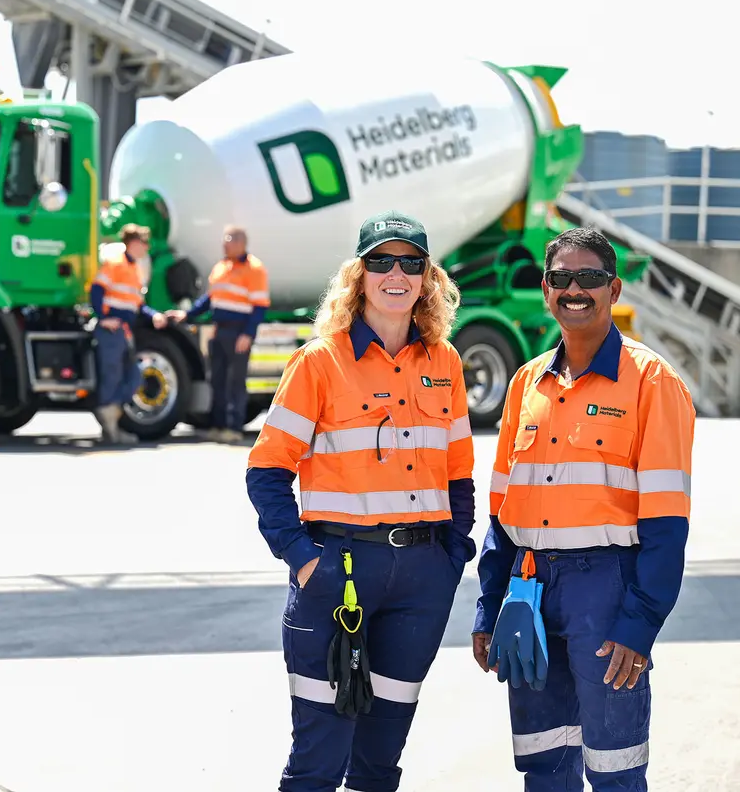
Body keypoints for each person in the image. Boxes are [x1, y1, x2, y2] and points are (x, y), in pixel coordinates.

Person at [245, 210, 477, 791]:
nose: (395, 274)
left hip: (421, 579)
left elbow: (459, 475)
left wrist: (451, 560)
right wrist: (303, 559)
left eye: (410, 263)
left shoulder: (444, 363)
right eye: (381, 262)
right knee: (318, 762)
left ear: (426, 277)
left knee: (379, 764)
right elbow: (267, 470)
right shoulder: (319, 362)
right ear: (359, 275)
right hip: (338, 572)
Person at [472, 227, 695, 791]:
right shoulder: (525, 383)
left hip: (606, 588)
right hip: (528, 589)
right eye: (562, 278)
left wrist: (639, 625)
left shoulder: (651, 382)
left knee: (614, 766)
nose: (575, 289)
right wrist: (487, 606)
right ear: (546, 291)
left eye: (590, 278)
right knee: (544, 761)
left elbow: (667, 524)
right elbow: (502, 508)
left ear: (613, 289)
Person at [167, 225, 269, 443]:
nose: (224, 243)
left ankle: (234, 428)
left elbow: (259, 307)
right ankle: (218, 425)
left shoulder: (255, 269)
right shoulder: (221, 267)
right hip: (220, 331)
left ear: (241, 242)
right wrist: (186, 314)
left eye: (229, 239)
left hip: (238, 332)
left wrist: (247, 335)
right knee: (218, 380)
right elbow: (210, 299)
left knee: (235, 382)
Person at [88, 223, 168, 443]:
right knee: (112, 374)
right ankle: (110, 426)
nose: (146, 248)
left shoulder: (134, 269)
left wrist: (154, 315)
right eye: (144, 243)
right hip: (112, 331)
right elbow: (96, 289)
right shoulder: (115, 264)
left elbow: (137, 304)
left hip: (124, 332)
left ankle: (111, 417)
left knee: (132, 374)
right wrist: (104, 319)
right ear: (133, 243)